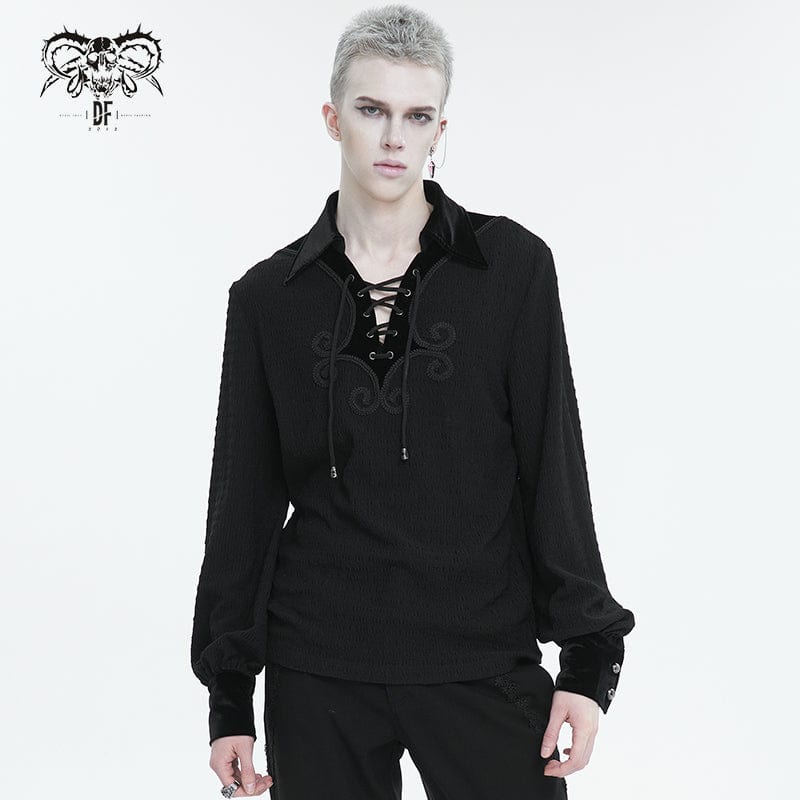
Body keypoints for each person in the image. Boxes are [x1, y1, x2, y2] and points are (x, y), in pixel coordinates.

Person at [190, 4, 635, 798]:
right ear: (333, 119)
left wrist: (588, 659)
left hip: (481, 655)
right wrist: (229, 701)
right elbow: (242, 508)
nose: (394, 137)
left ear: (440, 129)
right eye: (372, 110)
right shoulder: (267, 299)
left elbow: (553, 464)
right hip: (317, 666)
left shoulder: (510, 269)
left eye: (417, 115)